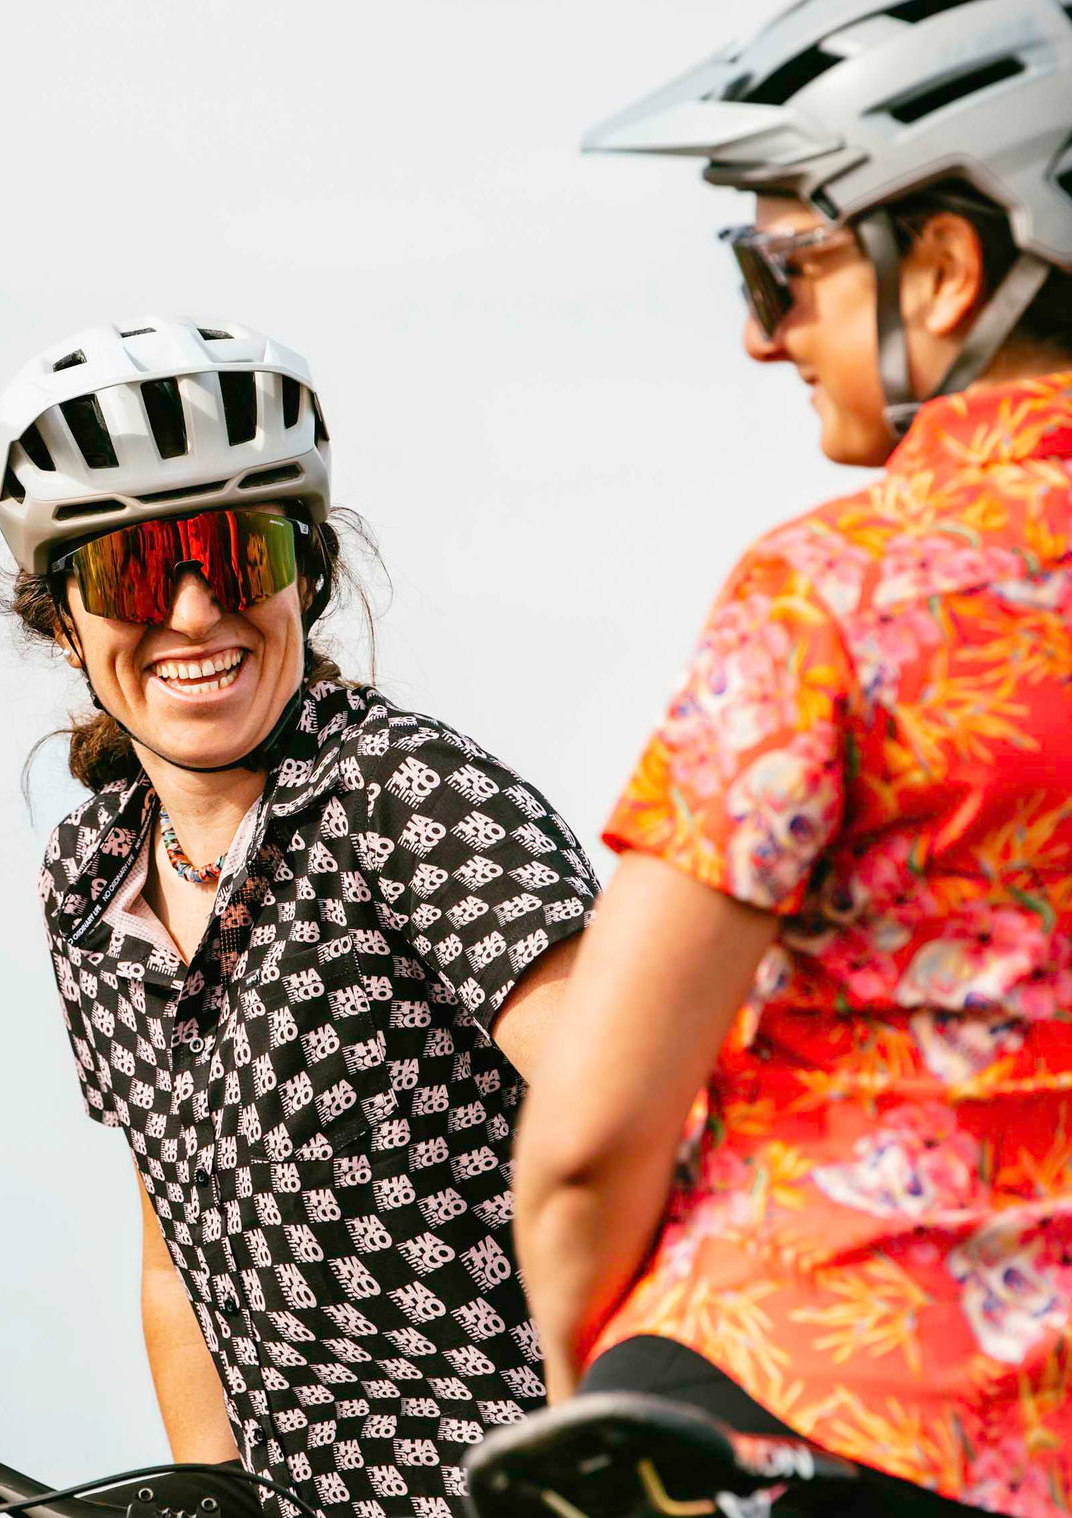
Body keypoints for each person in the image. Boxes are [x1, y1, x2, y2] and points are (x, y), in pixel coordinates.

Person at [469, 3, 1072, 1516]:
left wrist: (589, 1401)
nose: (758, 331)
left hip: (792, 1400)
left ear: (941, 266)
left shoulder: (841, 591)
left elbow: (591, 1139)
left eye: (784, 265)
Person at [0, 317, 599, 1518]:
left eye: (238, 551)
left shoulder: (403, 795)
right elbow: (174, 1260)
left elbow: (633, 1133)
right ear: (63, 621)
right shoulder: (87, 874)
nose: (199, 611)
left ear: (305, 574)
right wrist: (207, 1492)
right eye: (133, 572)